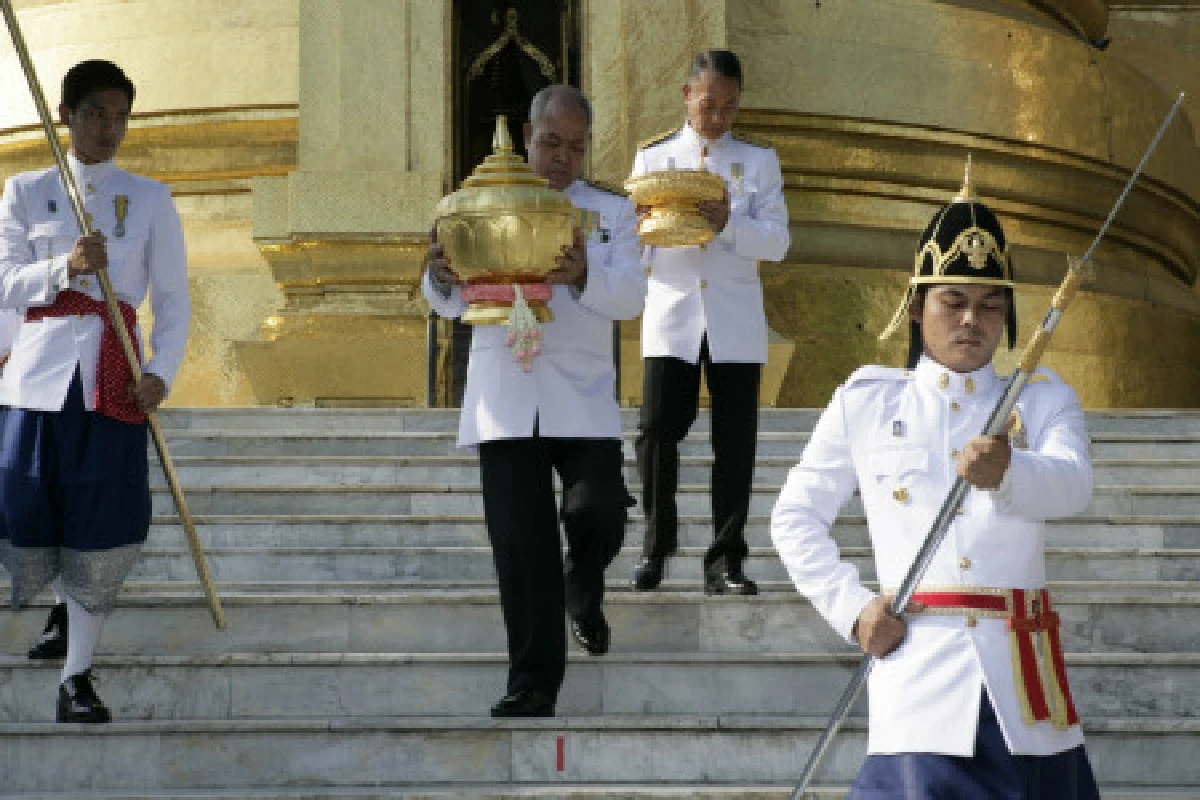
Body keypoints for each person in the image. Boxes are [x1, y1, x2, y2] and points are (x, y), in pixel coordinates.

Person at [770, 164, 1100, 797]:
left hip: (1026, 693)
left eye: (989, 303)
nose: (971, 320)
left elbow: (1073, 485)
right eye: (953, 301)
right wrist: (853, 609)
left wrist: (1010, 470)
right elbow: (793, 518)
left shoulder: (1042, 400)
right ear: (917, 305)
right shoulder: (867, 401)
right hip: (920, 684)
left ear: (1008, 315)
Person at [422, 85, 645, 717]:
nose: (562, 158)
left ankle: (585, 579)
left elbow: (632, 296)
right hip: (506, 396)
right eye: (551, 142)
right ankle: (533, 682)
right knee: (521, 548)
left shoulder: (610, 212)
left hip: (582, 396)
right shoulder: (482, 202)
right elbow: (445, 294)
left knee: (598, 511)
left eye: (576, 146)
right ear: (527, 136)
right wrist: (439, 273)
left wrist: (584, 276)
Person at [0, 60, 191, 723]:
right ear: (66, 117)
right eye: (95, 114)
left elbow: (173, 298)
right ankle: (55, 599)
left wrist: (161, 369)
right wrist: (65, 267)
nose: (109, 128)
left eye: (119, 116)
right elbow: (4, 283)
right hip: (37, 380)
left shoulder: (149, 198)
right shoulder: (24, 191)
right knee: (26, 507)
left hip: (113, 378)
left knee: (102, 521)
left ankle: (78, 675)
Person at [628, 49, 789, 596]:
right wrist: (640, 230)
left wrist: (731, 224)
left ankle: (726, 558)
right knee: (655, 434)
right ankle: (656, 546)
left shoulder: (759, 161)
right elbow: (635, 249)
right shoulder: (653, 160)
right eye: (707, 105)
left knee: (735, 442)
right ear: (686, 97)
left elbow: (778, 241)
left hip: (734, 318)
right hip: (672, 314)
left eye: (727, 107)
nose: (716, 118)